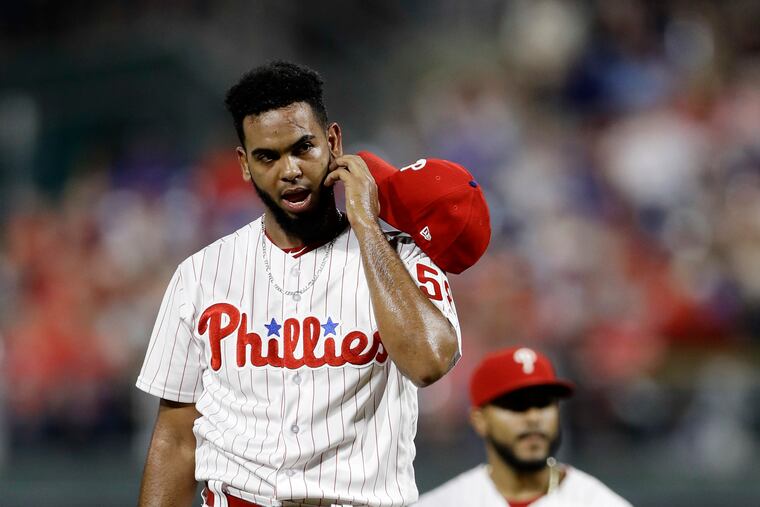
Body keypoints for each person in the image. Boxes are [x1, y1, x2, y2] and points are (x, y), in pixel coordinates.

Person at [135, 60, 472, 507]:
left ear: (333, 143)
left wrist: (367, 229)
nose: (289, 169)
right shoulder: (201, 274)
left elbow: (430, 361)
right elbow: (176, 438)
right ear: (244, 164)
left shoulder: (402, 257)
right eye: (267, 157)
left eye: (303, 148)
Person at [415, 346, 632, 507]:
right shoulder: (445, 502)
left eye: (544, 403)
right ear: (479, 420)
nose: (533, 417)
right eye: (516, 405)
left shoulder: (599, 502)